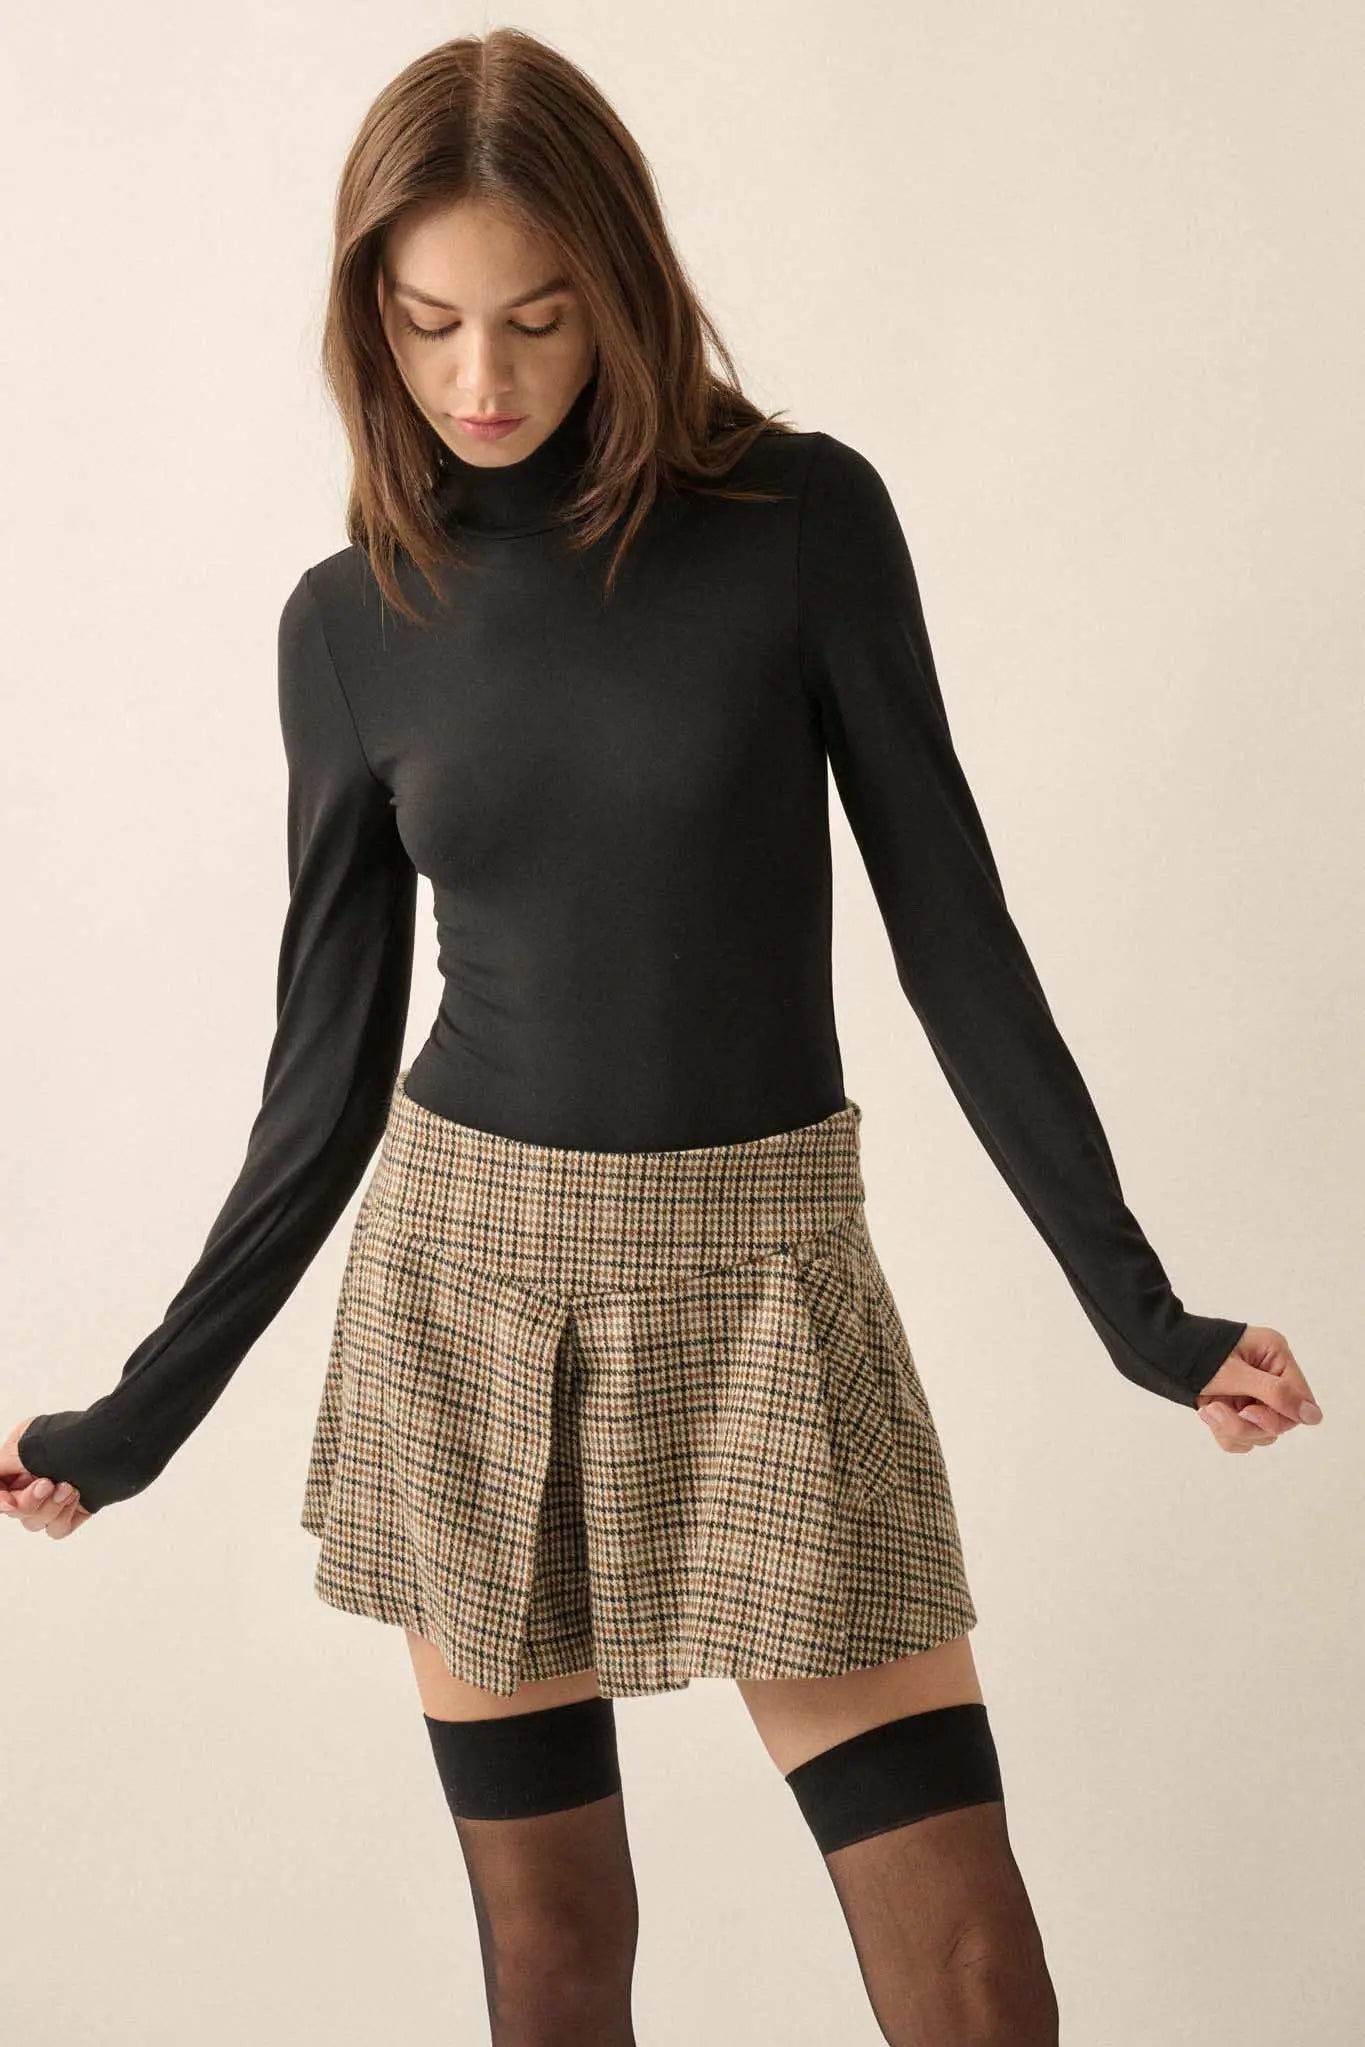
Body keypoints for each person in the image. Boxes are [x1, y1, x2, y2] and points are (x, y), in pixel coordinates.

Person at [3, 27, 1319, 2046]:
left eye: (535, 317)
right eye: (428, 323)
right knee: (553, 1967)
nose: (480, 377)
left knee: (973, 1973)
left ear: (620, 283)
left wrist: (1141, 1319)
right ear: (368, 317)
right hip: (466, 1294)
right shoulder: (349, 621)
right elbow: (322, 1077)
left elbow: (954, 935)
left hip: (766, 1284)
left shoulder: (798, 520)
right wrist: (134, 1424)